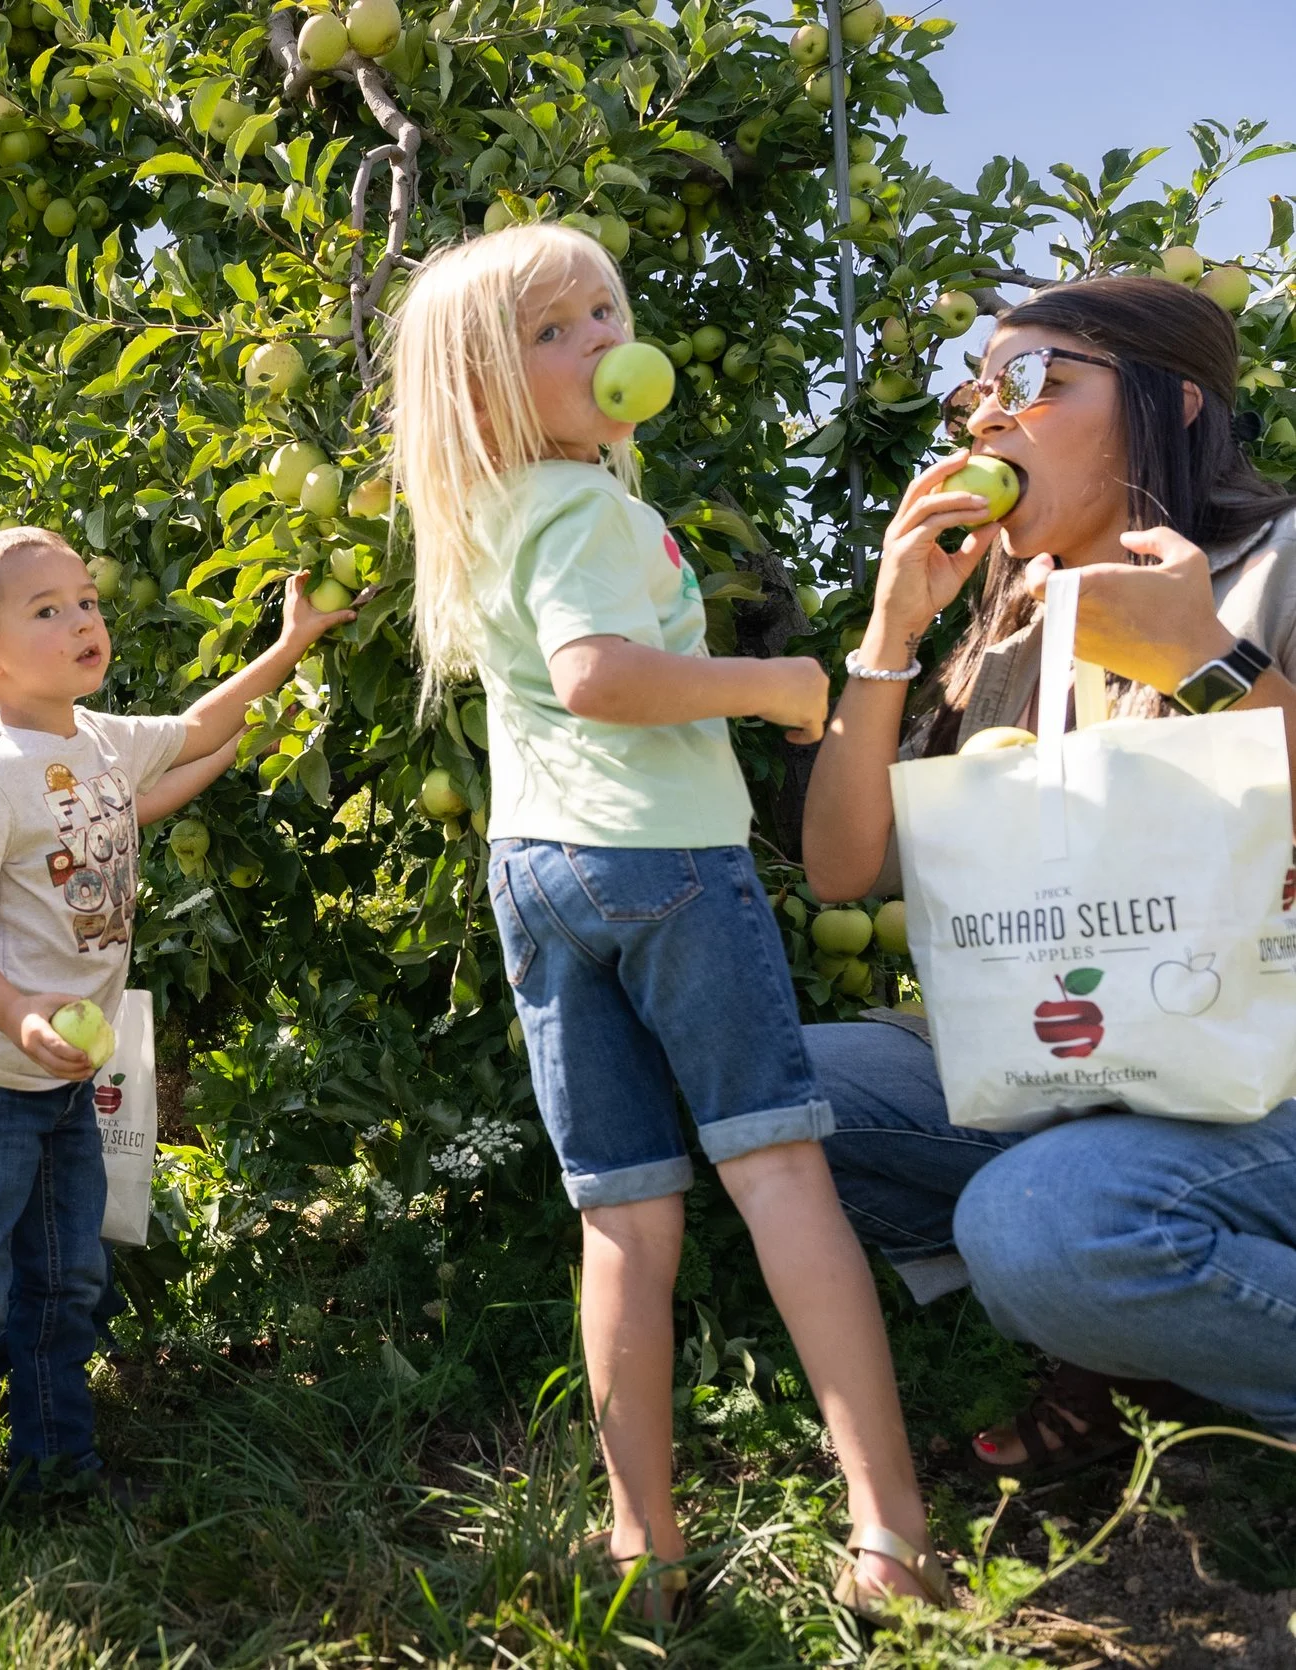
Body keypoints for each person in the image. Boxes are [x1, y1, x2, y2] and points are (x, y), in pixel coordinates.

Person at [389, 224, 941, 1614]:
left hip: (538, 872)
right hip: (667, 864)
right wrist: (771, 684)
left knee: (625, 1215)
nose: (598, 343)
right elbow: (596, 677)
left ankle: (648, 1548)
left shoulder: (499, 512)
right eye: (552, 332)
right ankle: (892, 1529)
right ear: (483, 388)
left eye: (605, 311)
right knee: (779, 1174)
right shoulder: (587, 512)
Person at [802, 273, 1296, 1478]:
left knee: (1037, 1226)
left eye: (1031, 381)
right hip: (1066, 1065)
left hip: (1265, 1083)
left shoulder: (1273, 559)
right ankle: (1134, 1329)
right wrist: (888, 637)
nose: (983, 416)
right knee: (757, 1077)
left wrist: (1206, 662)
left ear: (1168, 404)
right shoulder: (1006, 632)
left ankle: (1114, 1296)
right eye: (978, 387)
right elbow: (838, 869)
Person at [0, 525, 356, 1593]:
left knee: (67, 1277)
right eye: (48, 610)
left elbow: (203, 722)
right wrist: (16, 1010)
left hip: (62, 1073)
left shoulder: (96, 741)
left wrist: (287, 643)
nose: (83, 622)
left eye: (86, 599)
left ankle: (54, 1467)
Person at [0, 544, 248, 1186]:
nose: (68, 618)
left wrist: (234, 740)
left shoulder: (52, 717)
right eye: (40, 607)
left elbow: (129, 805)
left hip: (37, 951)